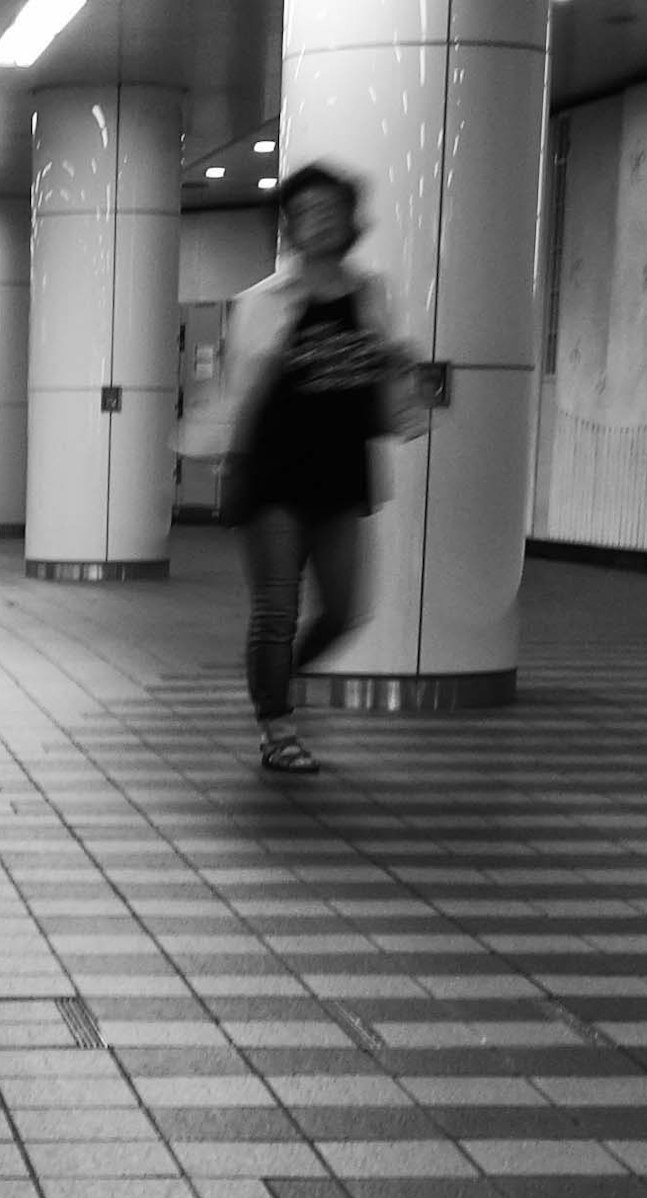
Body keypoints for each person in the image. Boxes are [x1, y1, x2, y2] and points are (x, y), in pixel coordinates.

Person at [216, 160, 424, 772]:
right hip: (274, 471)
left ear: (350, 221)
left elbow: (383, 369)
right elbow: (240, 392)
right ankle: (276, 722)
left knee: (345, 609)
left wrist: (399, 367)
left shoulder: (369, 295)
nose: (317, 220)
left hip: (341, 472)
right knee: (277, 608)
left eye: (329, 208)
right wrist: (233, 466)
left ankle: (275, 673)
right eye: (303, 212)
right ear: (289, 228)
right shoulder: (262, 302)